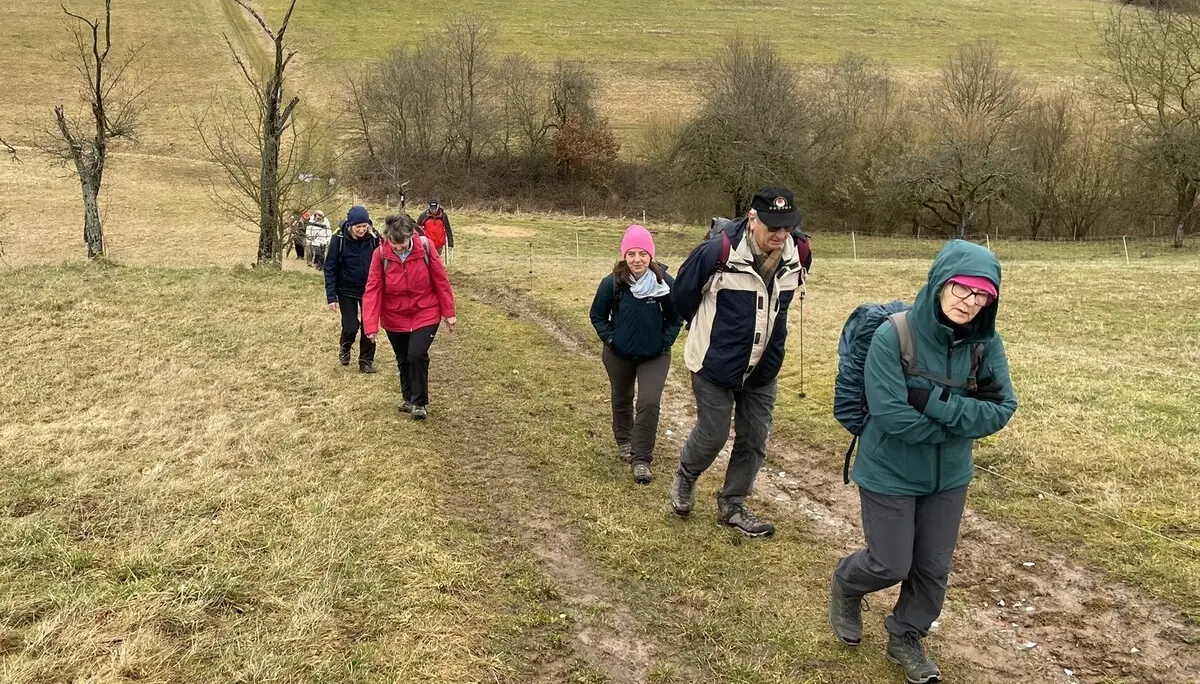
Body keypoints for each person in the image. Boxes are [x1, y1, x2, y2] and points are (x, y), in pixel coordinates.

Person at [829, 240, 1018, 684]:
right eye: (961, 289)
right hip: (888, 470)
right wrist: (961, 422)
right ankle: (846, 583)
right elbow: (893, 416)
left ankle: (906, 635)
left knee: (932, 567)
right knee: (890, 563)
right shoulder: (893, 335)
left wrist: (935, 403)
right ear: (939, 283)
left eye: (981, 295)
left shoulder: (986, 345)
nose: (969, 302)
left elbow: (1003, 408)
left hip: (949, 476)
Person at [669, 186, 808, 537]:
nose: (780, 234)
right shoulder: (717, 252)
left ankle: (732, 504)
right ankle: (686, 476)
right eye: (773, 226)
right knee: (713, 434)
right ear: (752, 218)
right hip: (714, 362)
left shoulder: (800, 253)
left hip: (764, 366)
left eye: (787, 226)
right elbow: (682, 297)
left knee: (754, 439)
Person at [589, 225, 683, 485]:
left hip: (655, 355)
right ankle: (624, 441)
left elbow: (676, 318)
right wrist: (610, 339)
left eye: (643, 253)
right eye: (631, 254)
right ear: (624, 256)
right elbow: (597, 315)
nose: (637, 259)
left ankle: (641, 458)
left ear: (651, 255)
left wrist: (664, 342)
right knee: (622, 398)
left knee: (649, 402)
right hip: (618, 354)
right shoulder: (612, 283)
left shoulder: (665, 283)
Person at [362, 214, 457, 421]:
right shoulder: (380, 255)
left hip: (426, 310)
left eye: (402, 243)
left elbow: (441, 280)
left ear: (410, 236)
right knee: (403, 358)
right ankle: (408, 398)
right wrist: (371, 325)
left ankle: (420, 402)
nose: (398, 247)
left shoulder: (425, 247)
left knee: (416, 354)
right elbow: (373, 289)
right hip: (394, 314)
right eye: (394, 243)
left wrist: (448, 313)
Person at [325, 205, 380, 372]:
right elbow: (330, 267)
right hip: (346, 290)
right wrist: (331, 296)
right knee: (350, 326)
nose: (362, 230)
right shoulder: (339, 239)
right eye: (358, 227)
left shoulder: (375, 238)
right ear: (350, 226)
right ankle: (345, 348)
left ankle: (366, 361)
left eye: (364, 226)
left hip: (369, 290)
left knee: (368, 327)